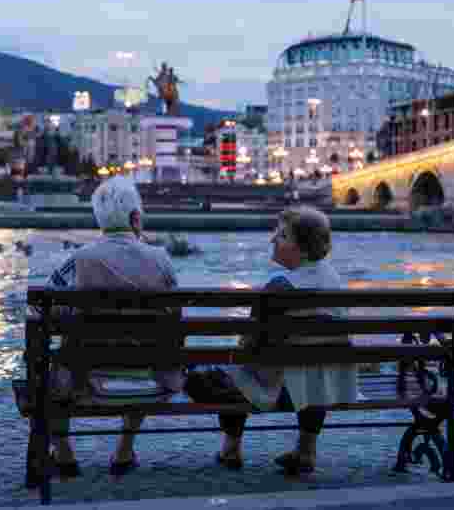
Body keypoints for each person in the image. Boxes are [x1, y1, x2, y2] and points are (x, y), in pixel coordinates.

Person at [28, 175, 182, 487]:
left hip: (87, 375)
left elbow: (42, 311)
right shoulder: (162, 259)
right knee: (145, 348)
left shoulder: (80, 259)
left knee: (45, 369)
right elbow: (176, 320)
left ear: (99, 221)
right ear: (136, 218)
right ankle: (124, 451)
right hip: (151, 375)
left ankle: (66, 453)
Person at [184, 206, 357, 474]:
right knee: (312, 368)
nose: (272, 239)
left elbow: (248, 348)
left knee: (213, 376)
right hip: (327, 388)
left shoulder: (279, 287)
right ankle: (306, 449)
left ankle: (231, 447)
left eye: (282, 235)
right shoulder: (334, 281)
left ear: (303, 248)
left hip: (282, 391)